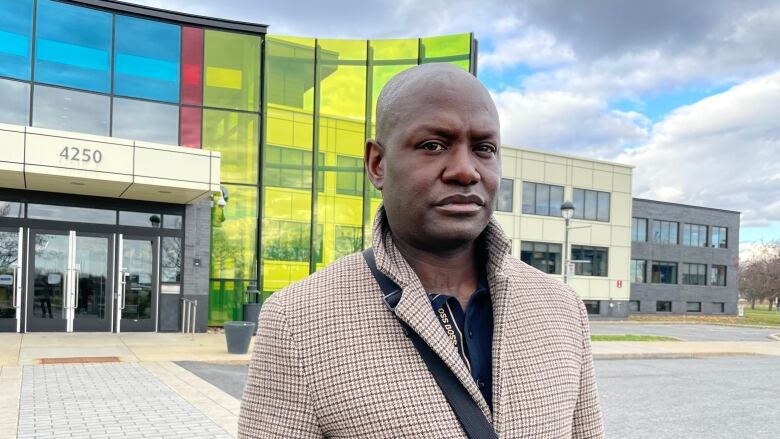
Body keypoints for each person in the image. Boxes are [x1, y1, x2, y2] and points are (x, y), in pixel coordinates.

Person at [239, 63, 604, 438]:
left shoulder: (562, 308)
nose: (465, 170)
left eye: (484, 149)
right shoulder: (297, 321)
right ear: (377, 164)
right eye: (433, 145)